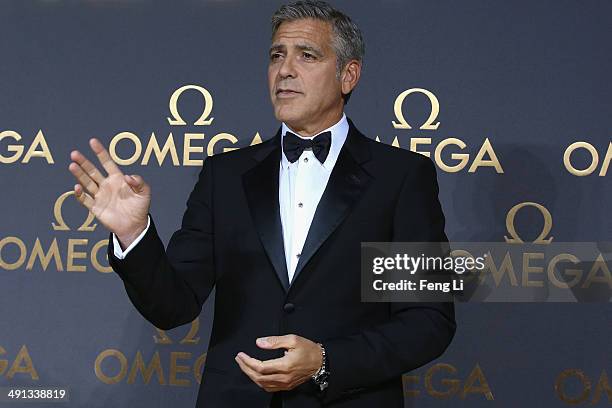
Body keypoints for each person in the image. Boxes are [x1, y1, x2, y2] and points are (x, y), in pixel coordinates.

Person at [68, 1, 455, 407]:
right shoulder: (225, 176)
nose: (285, 70)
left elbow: (429, 322)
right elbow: (173, 306)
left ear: (348, 74)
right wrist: (133, 235)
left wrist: (326, 361)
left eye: (307, 55)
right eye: (276, 55)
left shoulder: (402, 177)